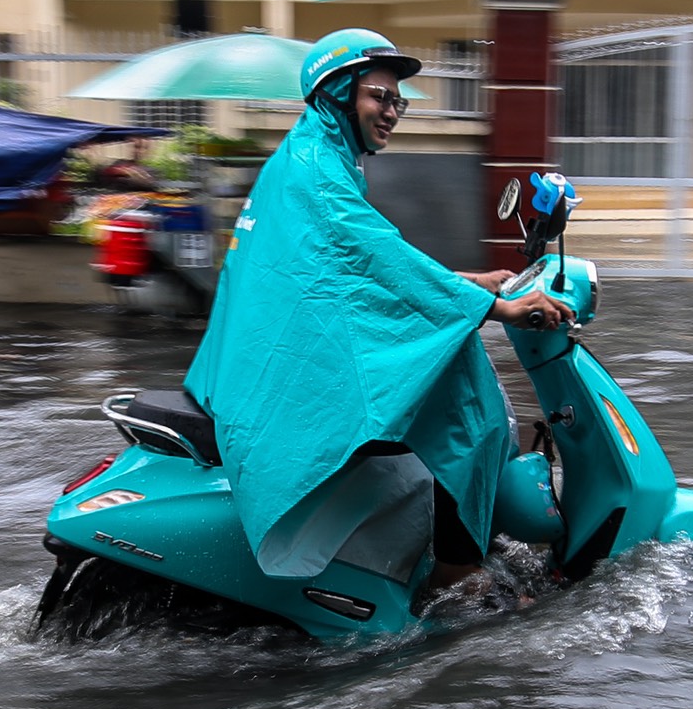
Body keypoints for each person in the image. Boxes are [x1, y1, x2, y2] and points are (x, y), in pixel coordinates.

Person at [183, 29, 566, 585]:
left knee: (441, 381)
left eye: (397, 100)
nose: (392, 111)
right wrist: (496, 309)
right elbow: (375, 254)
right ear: (338, 94)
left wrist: (469, 281)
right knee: (471, 419)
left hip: (280, 348)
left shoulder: (316, 154)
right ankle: (457, 580)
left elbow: (361, 262)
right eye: (379, 98)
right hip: (289, 361)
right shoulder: (318, 170)